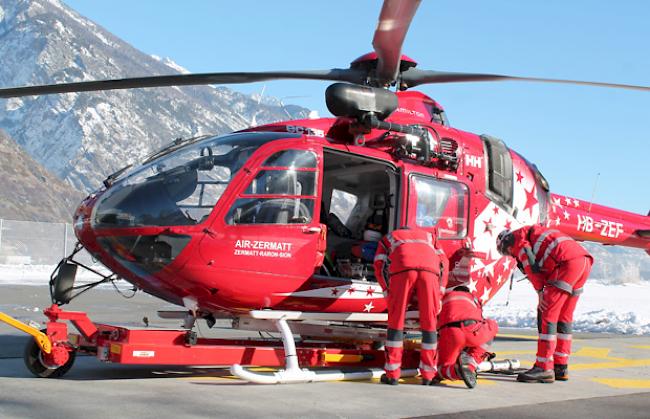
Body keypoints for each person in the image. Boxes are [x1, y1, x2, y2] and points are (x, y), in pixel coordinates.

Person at [496, 225, 593, 383]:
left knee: (546, 314)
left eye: (506, 252)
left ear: (505, 242)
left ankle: (543, 367)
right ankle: (560, 367)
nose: (510, 255)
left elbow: (530, 265)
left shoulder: (516, 240)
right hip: (583, 262)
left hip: (566, 263)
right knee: (564, 317)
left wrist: (540, 291)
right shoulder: (535, 234)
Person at [373, 227, 448, 385]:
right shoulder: (429, 236)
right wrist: (439, 293)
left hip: (403, 270)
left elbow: (378, 263)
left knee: (396, 322)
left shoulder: (389, 237)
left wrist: (386, 290)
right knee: (429, 325)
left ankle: (392, 374)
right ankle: (428, 375)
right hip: (430, 272)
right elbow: (444, 262)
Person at [436, 286, 498, 388]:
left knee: (442, 369)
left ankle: (456, 372)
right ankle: (472, 361)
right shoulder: (473, 298)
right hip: (472, 330)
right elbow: (481, 319)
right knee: (492, 325)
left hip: (450, 333)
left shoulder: (443, 297)